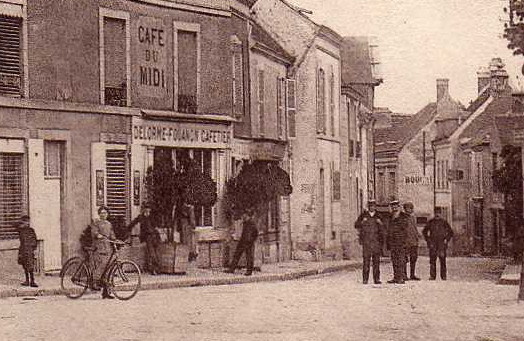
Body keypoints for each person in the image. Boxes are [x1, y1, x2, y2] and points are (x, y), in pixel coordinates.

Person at [354, 199, 385, 284]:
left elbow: (384, 228)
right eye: (370, 206)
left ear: (375, 207)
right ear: (368, 207)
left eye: (373, 205)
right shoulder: (364, 215)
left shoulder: (379, 216)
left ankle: (376, 279)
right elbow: (356, 225)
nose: (372, 207)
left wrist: (380, 223)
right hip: (366, 242)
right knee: (366, 261)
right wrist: (362, 222)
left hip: (376, 242)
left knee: (376, 262)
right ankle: (365, 279)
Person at [91, 206, 117, 299]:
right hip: (99, 248)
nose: (103, 214)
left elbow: (112, 235)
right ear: (99, 214)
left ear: (107, 214)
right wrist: (98, 235)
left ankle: (106, 293)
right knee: (101, 267)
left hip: (108, 249)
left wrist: (116, 241)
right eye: (101, 213)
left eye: (105, 213)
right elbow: (94, 232)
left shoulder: (109, 224)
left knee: (108, 271)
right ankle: (94, 282)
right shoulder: (96, 223)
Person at [128, 204, 161, 275]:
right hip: (147, 237)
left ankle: (155, 268)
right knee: (152, 253)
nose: (147, 210)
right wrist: (128, 229)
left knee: (155, 253)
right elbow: (133, 223)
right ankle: (153, 269)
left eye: (148, 208)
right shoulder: (141, 217)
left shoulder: (153, 217)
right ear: (143, 209)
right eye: (146, 208)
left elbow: (157, 226)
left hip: (155, 237)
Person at [225, 208, 258, 276]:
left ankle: (249, 271)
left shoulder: (252, 223)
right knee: (237, 255)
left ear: (247, 215)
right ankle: (232, 269)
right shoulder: (245, 222)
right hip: (242, 241)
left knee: (249, 256)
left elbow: (256, 233)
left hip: (248, 242)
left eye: (244, 215)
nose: (243, 216)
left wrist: (251, 240)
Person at [423, 208, 454, 280]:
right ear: (434, 213)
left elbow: (451, 232)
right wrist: (428, 241)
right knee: (432, 260)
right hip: (433, 244)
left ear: (441, 214)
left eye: (439, 213)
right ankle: (432, 276)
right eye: (436, 213)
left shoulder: (444, 222)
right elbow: (424, 232)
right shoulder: (430, 222)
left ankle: (443, 276)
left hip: (441, 244)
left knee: (442, 260)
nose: (437, 214)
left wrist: (446, 239)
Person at [386, 200, 408, 284]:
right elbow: (389, 229)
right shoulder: (390, 216)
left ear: (399, 207)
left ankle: (401, 277)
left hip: (401, 242)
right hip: (392, 242)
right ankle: (396, 277)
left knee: (401, 260)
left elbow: (404, 229)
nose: (394, 208)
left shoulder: (403, 216)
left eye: (396, 206)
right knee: (394, 260)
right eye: (393, 207)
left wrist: (404, 241)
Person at [17, 215, 38, 288]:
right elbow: (15, 225)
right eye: (26, 221)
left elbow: (34, 239)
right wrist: (21, 223)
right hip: (22, 249)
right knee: (24, 265)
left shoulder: (31, 230)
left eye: (28, 221)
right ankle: (27, 280)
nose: (27, 223)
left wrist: (34, 248)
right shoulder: (21, 230)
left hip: (29, 250)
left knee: (30, 266)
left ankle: (32, 281)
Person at [403, 202, 421, 281]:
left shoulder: (413, 217)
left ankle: (412, 274)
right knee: (404, 259)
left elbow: (415, 228)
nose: (410, 210)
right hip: (406, 241)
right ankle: (404, 275)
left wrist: (417, 237)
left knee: (413, 258)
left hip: (413, 241)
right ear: (405, 209)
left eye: (411, 208)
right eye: (408, 208)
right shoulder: (403, 218)